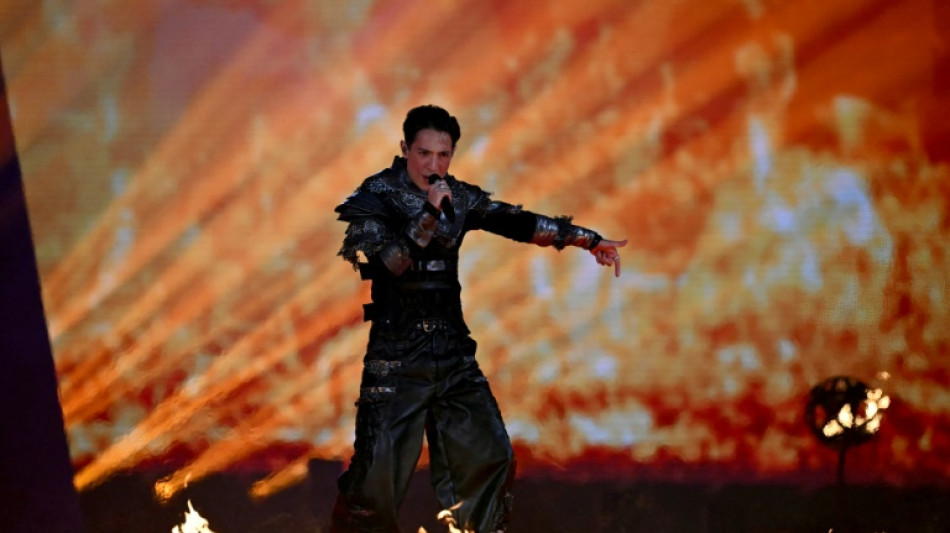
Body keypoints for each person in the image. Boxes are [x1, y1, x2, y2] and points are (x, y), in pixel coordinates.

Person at [330, 105, 626, 532]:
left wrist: (588, 239)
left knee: (492, 456)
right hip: (396, 355)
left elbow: (518, 222)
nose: (433, 165)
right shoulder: (376, 196)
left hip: (452, 351)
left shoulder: (461, 197)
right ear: (405, 149)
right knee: (374, 480)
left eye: (443, 155)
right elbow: (387, 265)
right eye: (424, 153)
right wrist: (429, 214)